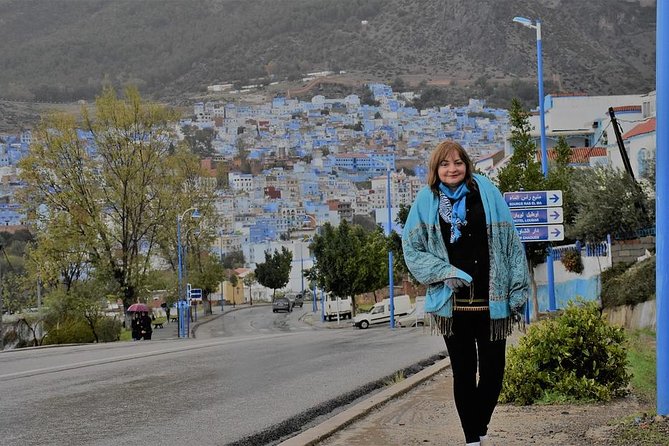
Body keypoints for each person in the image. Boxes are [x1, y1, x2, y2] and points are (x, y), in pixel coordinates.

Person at [402, 140, 530, 446]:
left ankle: (480, 426)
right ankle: (472, 440)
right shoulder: (426, 201)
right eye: (445, 164)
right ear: (436, 169)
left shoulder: (487, 193)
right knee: (463, 372)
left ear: (467, 165)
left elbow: (511, 242)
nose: (452, 169)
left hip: (492, 300)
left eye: (457, 162)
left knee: (494, 372)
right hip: (453, 305)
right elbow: (412, 248)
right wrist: (445, 272)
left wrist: (517, 290)